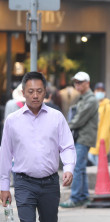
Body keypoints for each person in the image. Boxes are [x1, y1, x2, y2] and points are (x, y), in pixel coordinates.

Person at [0, 72, 76, 222]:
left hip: (50, 184)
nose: (35, 95)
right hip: (24, 183)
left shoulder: (56, 117)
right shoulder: (12, 121)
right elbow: (6, 153)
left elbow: (67, 146)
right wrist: (4, 186)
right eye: (31, 91)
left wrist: (68, 168)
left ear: (45, 92)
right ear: (23, 93)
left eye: (39, 91)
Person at [60, 71, 99, 208]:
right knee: (80, 168)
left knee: (77, 167)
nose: (77, 85)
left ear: (87, 83)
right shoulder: (83, 98)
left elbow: (79, 119)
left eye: (80, 82)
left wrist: (64, 127)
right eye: (75, 82)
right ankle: (83, 196)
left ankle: (75, 197)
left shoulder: (91, 99)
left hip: (84, 137)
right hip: (81, 136)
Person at [88, 82, 110, 166]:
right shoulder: (93, 104)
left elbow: (106, 126)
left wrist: (101, 142)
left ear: (105, 92)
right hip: (92, 141)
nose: (100, 92)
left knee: (98, 167)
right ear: (94, 91)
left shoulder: (107, 106)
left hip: (101, 142)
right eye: (98, 90)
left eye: (102, 90)